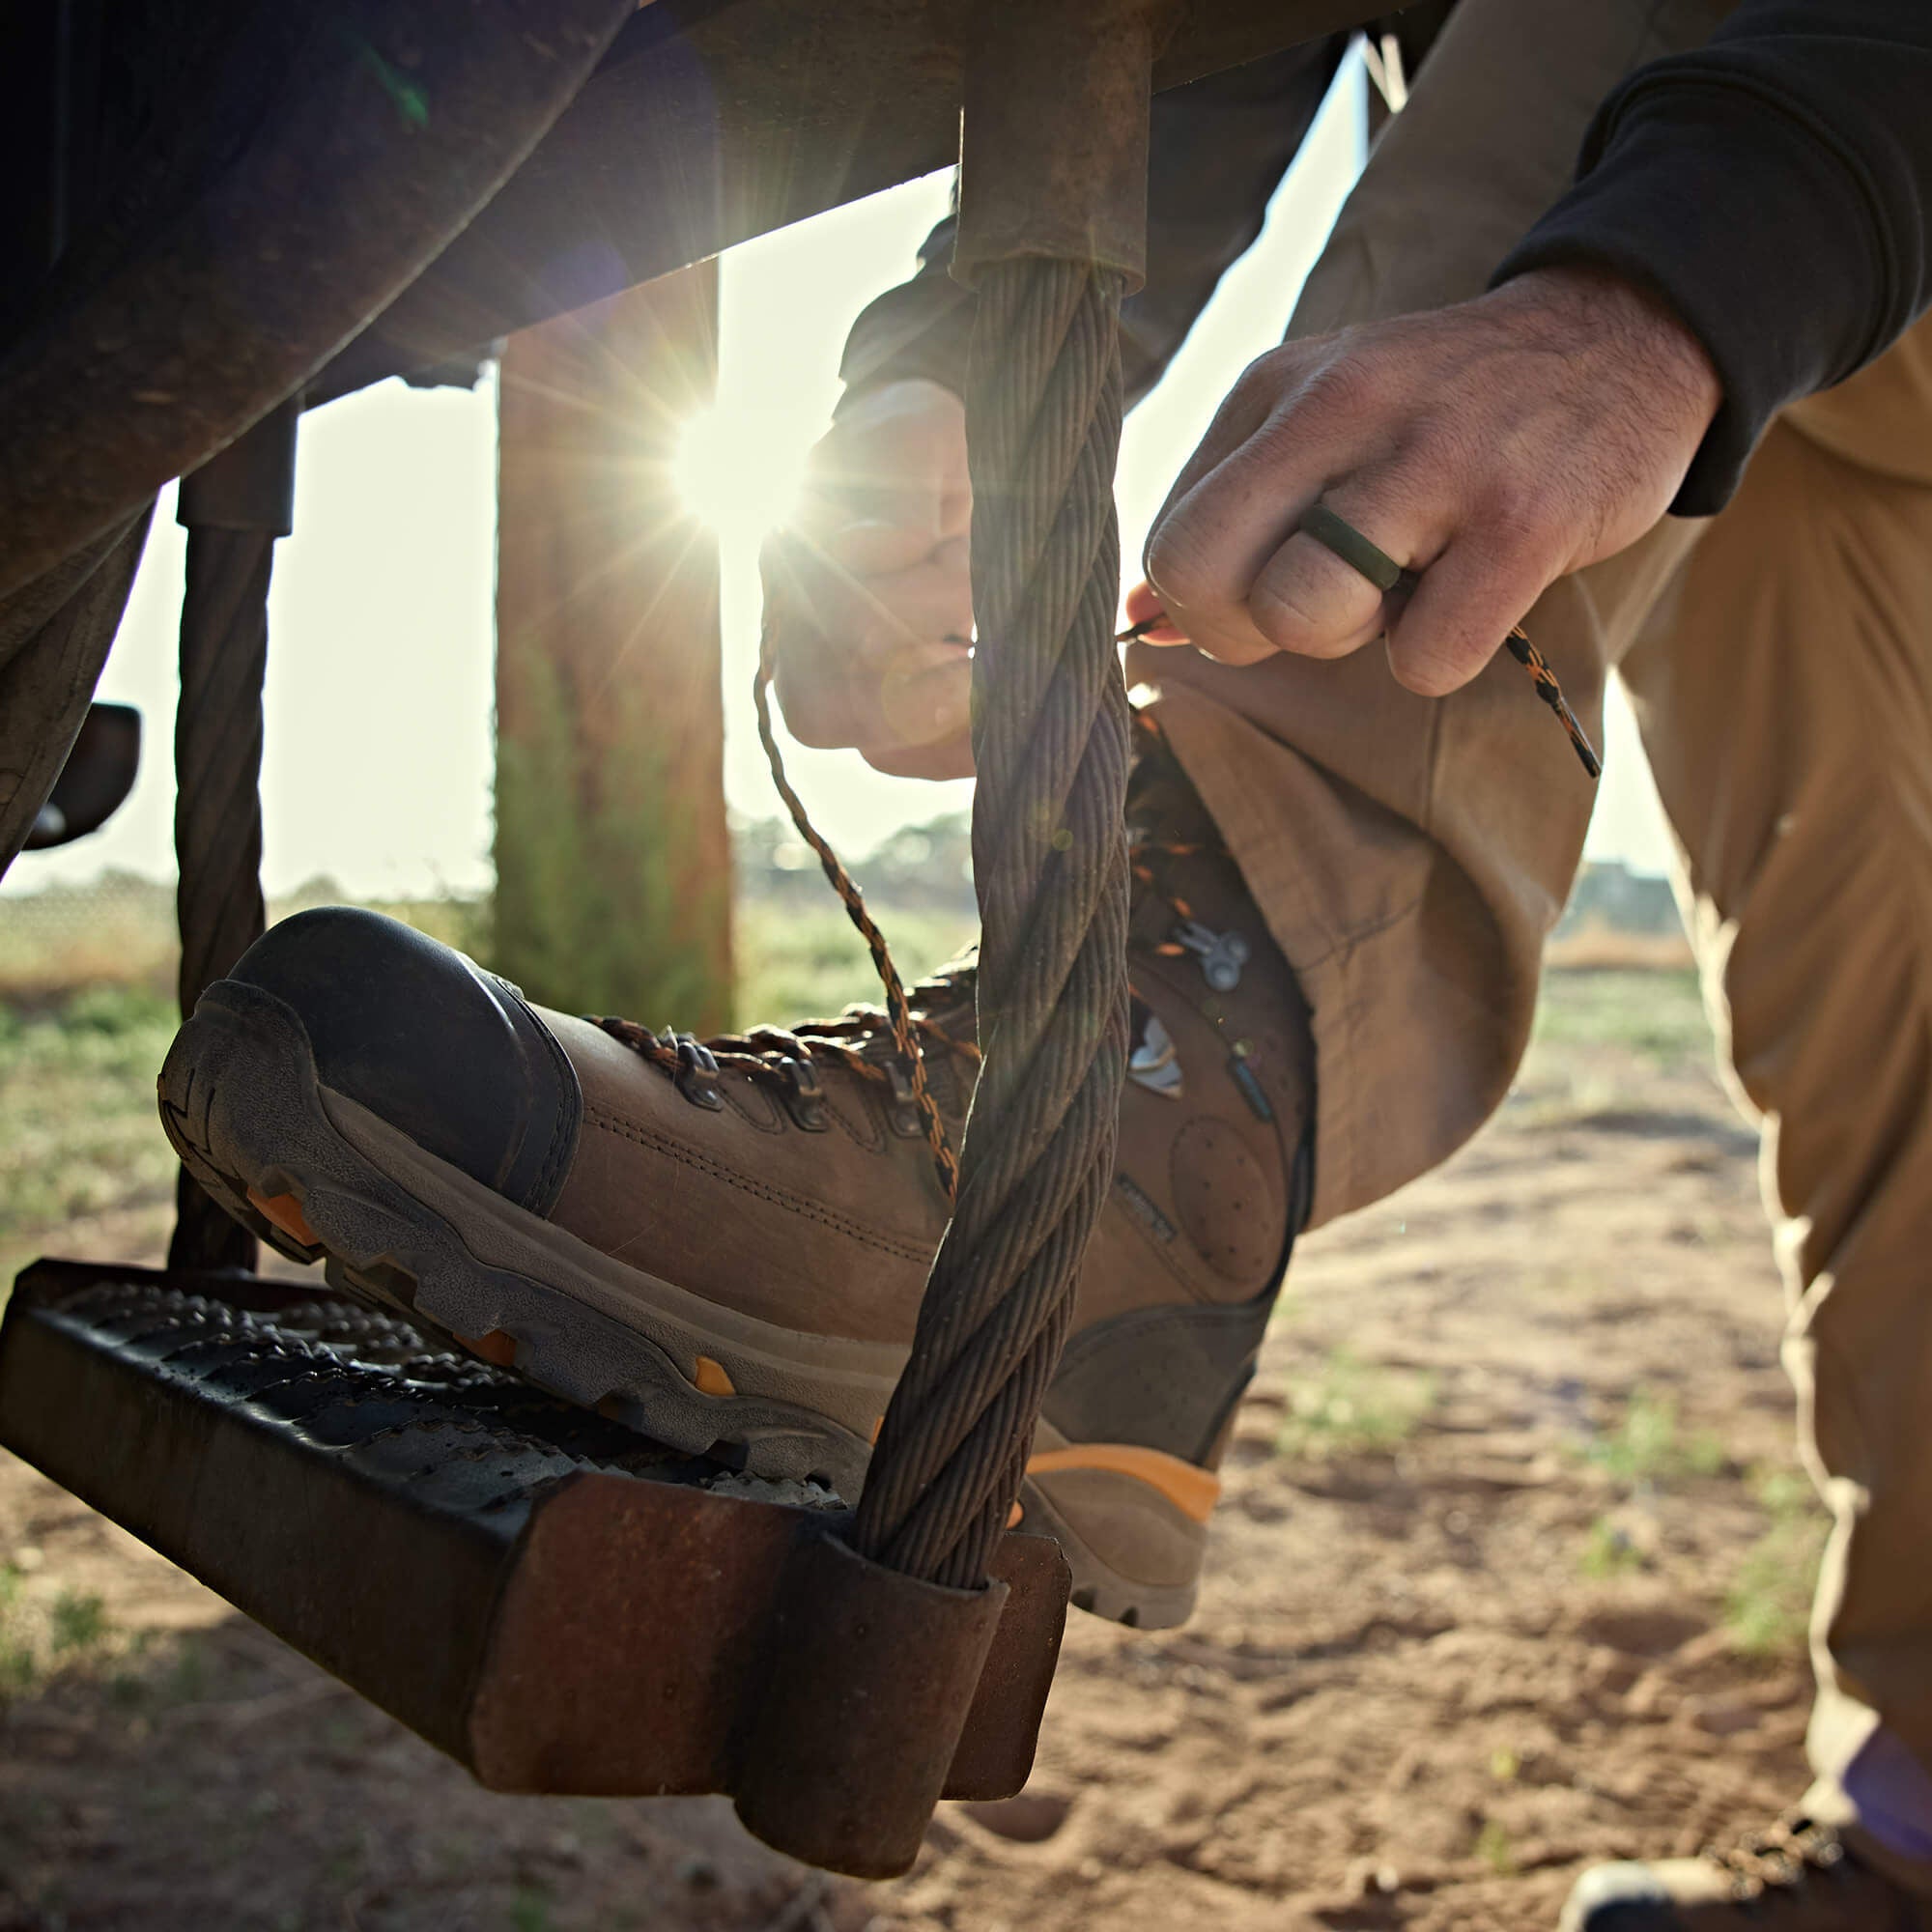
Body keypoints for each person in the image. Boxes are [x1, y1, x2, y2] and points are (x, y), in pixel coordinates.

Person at [160, 1, 1932, 1923]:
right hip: (1795, 262)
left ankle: (1161, 1108)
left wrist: (1639, 297)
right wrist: (947, 378)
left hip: (1765, 163)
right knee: (1890, 1074)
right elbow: (1191, 57)